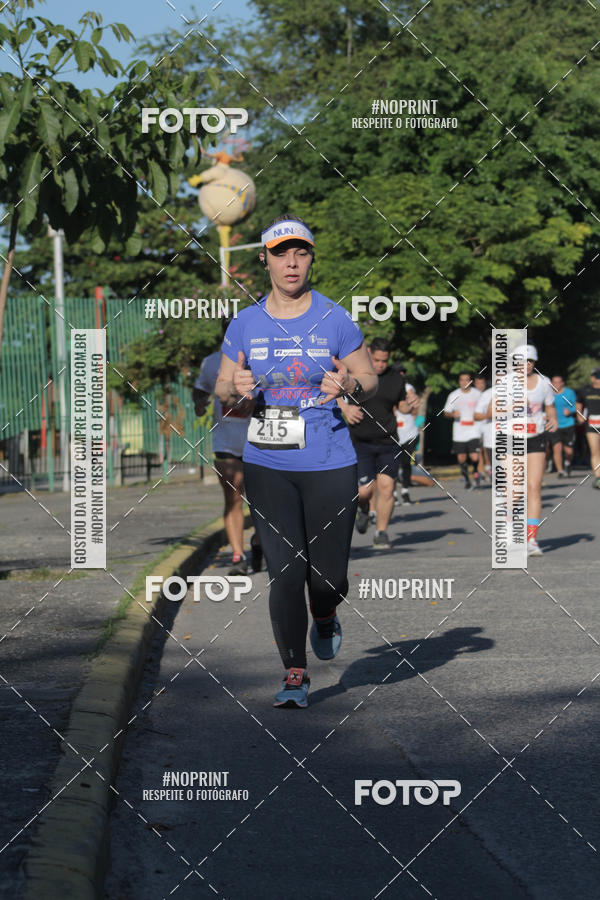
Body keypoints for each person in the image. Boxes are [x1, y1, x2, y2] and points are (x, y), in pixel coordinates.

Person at [215, 214, 377, 708]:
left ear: (311, 259)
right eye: (281, 253)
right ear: (263, 259)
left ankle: (325, 614)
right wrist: (235, 388)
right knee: (285, 572)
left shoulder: (335, 318)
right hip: (269, 462)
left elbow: (367, 377)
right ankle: (294, 674)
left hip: (329, 461)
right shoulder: (244, 323)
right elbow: (223, 387)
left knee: (328, 579)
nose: (291, 262)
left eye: (301, 252)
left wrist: (348, 384)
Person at [193, 331, 262, 576]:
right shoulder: (212, 362)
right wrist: (199, 403)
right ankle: (237, 556)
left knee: (264, 501)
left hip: (260, 441)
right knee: (233, 498)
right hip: (225, 441)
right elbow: (200, 389)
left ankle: (258, 541)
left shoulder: (261, 358)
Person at [340, 338, 408, 550]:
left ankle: (381, 532)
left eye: (384, 361)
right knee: (364, 491)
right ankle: (363, 509)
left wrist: (410, 403)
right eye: (376, 360)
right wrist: (346, 408)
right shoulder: (354, 373)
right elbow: (332, 393)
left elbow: (403, 407)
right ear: (368, 354)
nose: (379, 364)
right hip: (360, 442)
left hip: (388, 441)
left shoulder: (396, 378)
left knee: (387, 488)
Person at [512, 344, 557, 556]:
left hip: (536, 437)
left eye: (530, 361)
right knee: (514, 493)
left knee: (534, 486)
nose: (526, 365)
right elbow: (492, 410)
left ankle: (531, 540)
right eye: (522, 361)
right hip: (512, 438)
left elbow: (550, 406)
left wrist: (553, 418)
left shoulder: (544, 382)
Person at [443, 373, 482, 490]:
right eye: (462, 380)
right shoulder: (454, 395)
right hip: (459, 431)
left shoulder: (477, 394)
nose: (464, 382)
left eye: (467, 380)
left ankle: (475, 471)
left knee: (474, 457)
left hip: (474, 429)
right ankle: (466, 479)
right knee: (461, 458)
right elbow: (446, 412)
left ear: (471, 382)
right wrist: (452, 414)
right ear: (459, 381)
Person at [393, 365, 421, 505]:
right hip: (393, 432)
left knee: (406, 463)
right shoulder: (387, 386)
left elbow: (413, 406)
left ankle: (405, 492)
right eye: (399, 372)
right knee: (392, 464)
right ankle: (392, 495)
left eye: (404, 372)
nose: (402, 374)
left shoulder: (408, 387)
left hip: (409, 432)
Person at [546, 375, 577, 477]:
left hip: (568, 424)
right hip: (554, 425)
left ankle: (567, 463)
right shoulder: (548, 393)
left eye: (558, 382)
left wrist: (570, 411)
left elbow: (576, 407)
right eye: (554, 382)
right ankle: (560, 471)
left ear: (562, 383)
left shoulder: (569, 393)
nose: (556, 384)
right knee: (557, 447)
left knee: (568, 450)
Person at [576, 368, 600, 489]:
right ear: (593, 378)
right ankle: (598, 477)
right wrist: (579, 415)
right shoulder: (584, 390)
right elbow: (579, 403)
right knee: (595, 450)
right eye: (598, 377)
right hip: (592, 425)